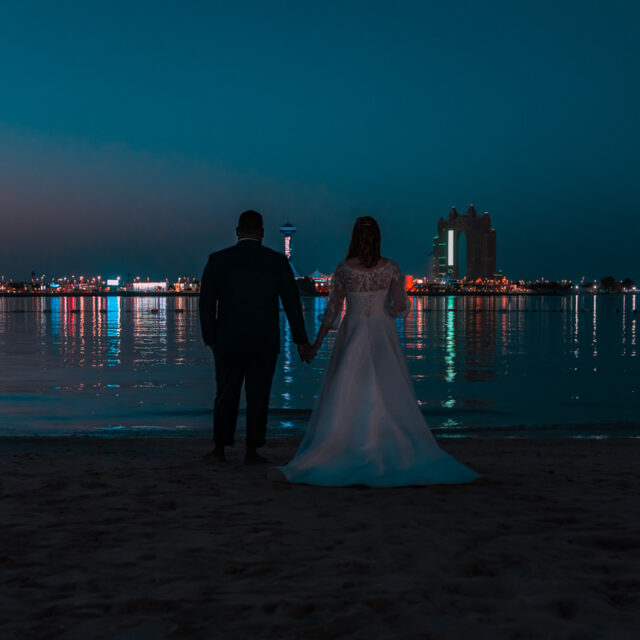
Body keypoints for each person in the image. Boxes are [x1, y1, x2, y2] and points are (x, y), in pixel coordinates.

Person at [276, 216, 480, 486]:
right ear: (378, 238)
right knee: (387, 387)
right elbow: (401, 307)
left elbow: (332, 314)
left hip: (353, 334)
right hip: (383, 333)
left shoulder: (344, 269)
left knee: (348, 386)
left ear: (354, 239)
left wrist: (315, 344)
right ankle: (387, 441)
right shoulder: (391, 268)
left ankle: (347, 443)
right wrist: (385, 309)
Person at [199, 210, 314, 464]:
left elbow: (206, 303)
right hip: (264, 339)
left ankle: (220, 447)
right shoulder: (276, 262)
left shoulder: (218, 260)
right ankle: (252, 450)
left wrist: (210, 337)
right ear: (262, 233)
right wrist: (301, 341)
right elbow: (292, 304)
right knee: (258, 396)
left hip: (227, 339)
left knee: (226, 393)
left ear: (237, 231)